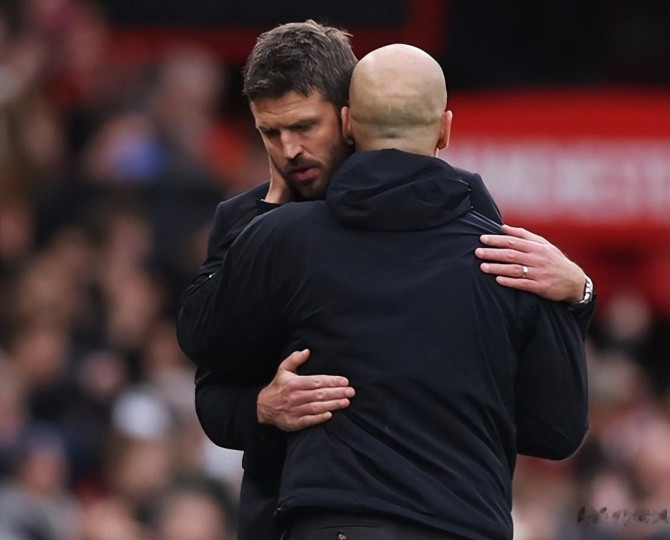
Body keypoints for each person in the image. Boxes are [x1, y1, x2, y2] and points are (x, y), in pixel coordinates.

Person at [178, 21, 594, 539]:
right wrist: (261, 409)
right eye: (270, 133)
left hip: (341, 516)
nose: (289, 151)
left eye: (305, 127)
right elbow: (207, 373)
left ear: (347, 118)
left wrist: (579, 291)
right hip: (313, 511)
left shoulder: (493, 240)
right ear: (442, 129)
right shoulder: (254, 223)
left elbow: (549, 425)